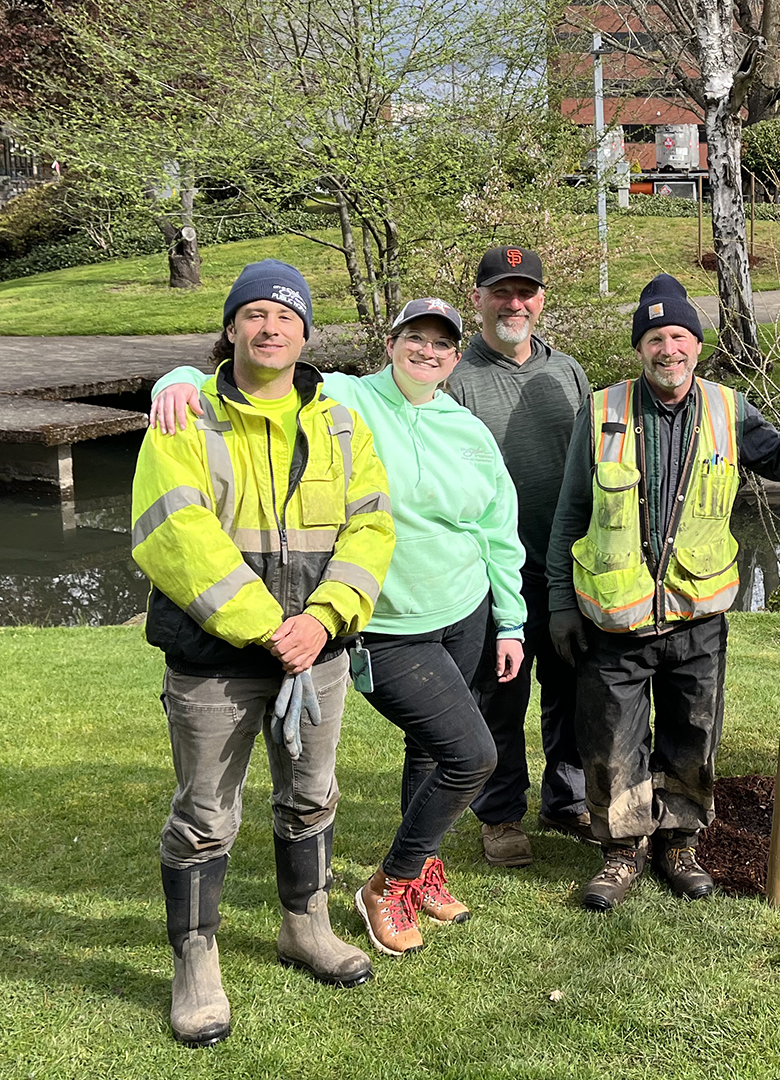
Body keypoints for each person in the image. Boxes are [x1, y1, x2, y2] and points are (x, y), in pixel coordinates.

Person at [149, 295, 526, 959]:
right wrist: (177, 381)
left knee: (430, 750)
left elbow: (496, 527)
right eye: (416, 338)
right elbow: (259, 368)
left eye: (442, 344)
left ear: (456, 355)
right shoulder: (348, 397)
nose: (428, 352)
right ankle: (393, 881)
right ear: (391, 342)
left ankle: (424, 867)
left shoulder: (465, 429)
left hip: (464, 611)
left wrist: (509, 620)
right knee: (471, 755)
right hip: (385, 620)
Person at [131, 259, 394, 1047]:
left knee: (313, 797)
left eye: (285, 317)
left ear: (306, 333)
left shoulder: (343, 424)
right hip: (217, 661)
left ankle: (304, 926)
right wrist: (267, 626)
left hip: (319, 652)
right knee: (205, 816)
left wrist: (323, 619)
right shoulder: (187, 418)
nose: (270, 327)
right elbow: (173, 533)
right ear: (232, 328)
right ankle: (196, 962)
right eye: (254, 315)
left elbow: (373, 527)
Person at [548, 273, 780, 912]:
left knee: (692, 733)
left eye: (679, 335)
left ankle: (677, 841)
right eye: (655, 337)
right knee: (611, 739)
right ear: (640, 347)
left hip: (696, 617)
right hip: (614, 620)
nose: (668, 349)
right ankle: (623, 850)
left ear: (697, 344)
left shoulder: (728, 410)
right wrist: (560, 603)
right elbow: (570, 514)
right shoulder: (601, 411)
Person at [443, 246, 596, 868]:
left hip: (566, 566)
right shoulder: (454, 377)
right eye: (502, 291)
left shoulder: (570, 372)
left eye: (526, 291)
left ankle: (567, 799)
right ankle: (501, 814)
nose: (515, 303)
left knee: (572, 689)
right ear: (477, 297)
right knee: (500, 695)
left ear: (539, 297)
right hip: (491, 572)